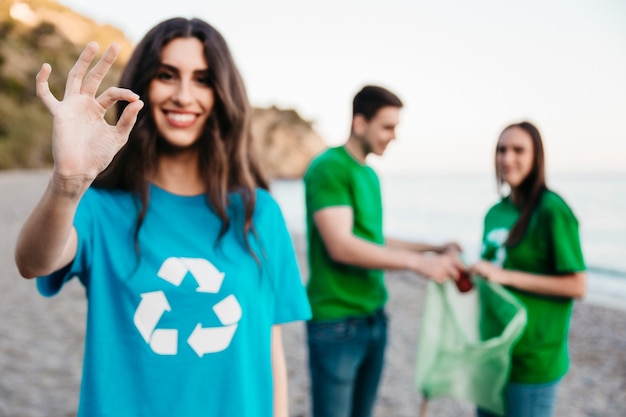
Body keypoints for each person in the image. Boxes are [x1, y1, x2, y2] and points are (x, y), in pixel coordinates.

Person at [14, 17, 311, 417]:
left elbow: (268, 346)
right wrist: (68, 180)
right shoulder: (102, 209)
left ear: (223, 94)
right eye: (167, 75)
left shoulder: (260, 214)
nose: (184, 95)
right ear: (144, 85)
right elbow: (33, 262)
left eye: (203, 79)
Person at [303, 85, 464, 417]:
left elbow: (374, 239)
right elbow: (341, 245)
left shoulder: (370, 175)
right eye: (387, 127)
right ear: (360, 123)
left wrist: (432, 249)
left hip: (374, 318)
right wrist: (416, 264)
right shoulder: (329, 167)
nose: (394, 136)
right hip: (336, 322)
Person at [469, 121, 587, 417]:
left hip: (531, 362)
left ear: (537, 157)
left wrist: (505, 276)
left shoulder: (552, 209)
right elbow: (493, 272)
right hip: (492, 355)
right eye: (501, 150)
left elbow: (577, 285)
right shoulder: (494, 212)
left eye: (518, 150)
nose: (507, 158)